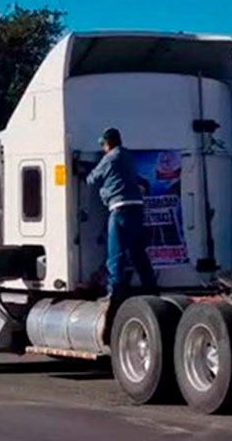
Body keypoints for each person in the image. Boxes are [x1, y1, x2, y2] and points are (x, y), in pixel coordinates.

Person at [84, 127, 157, 341]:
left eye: (102, 145)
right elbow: (137, 179)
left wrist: (84, 170)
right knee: (137, 252)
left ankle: (116, 292)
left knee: (115, 255)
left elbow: (92, 178)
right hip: (137, 208)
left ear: (107, 143)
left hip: (120, 209)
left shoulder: (111, 157)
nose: (102, 148)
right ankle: (151, 288)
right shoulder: (128, 157)